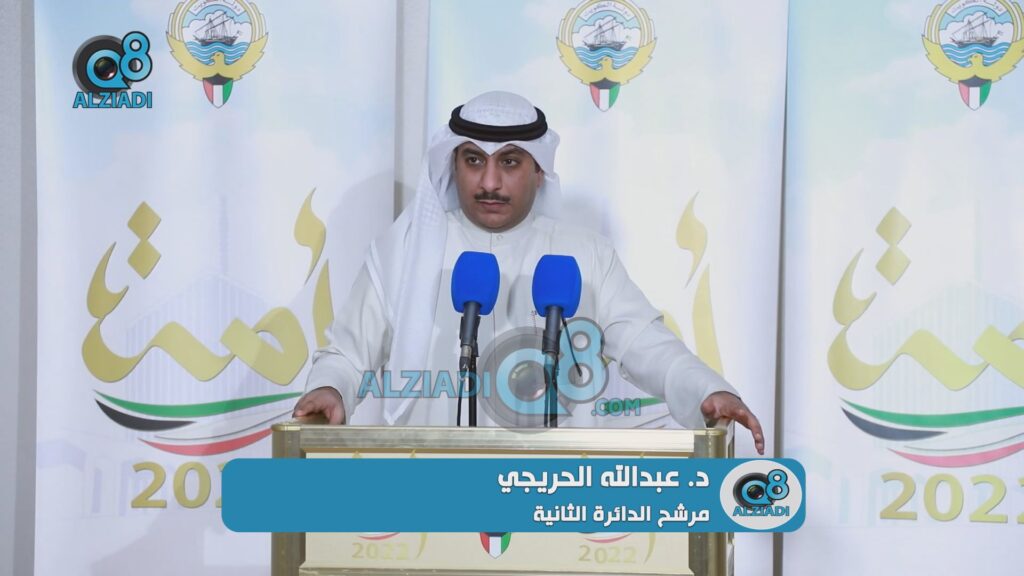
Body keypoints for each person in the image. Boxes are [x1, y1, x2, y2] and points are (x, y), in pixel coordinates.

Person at [292, 91, 765, 454]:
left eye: (510, 162)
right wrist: (330, 387)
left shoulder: (585, 254)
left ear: (538, 170)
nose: (490, 182)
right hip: (431, 492)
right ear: (453, 164)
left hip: (551, 495)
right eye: (473, 160)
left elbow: (647, 344)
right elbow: (348, 354)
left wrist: (708, 390)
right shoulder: (403, 250)